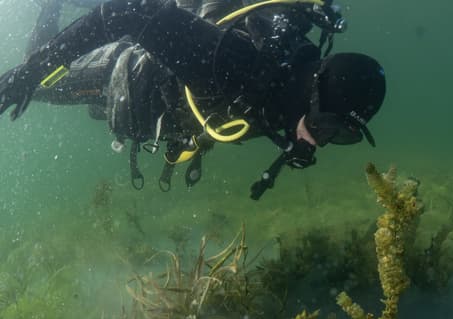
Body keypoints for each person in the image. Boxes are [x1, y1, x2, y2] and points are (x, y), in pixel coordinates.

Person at [0, 0, 387, 199]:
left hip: (181, 60)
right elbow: (128, 12)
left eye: (342, 136)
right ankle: (49, 6)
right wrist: (34, 69)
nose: (319, 141)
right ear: (311, 92)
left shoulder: (290, 87)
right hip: (124, 75)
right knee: (41, 86)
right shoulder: (238, 69)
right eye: (325, 126)